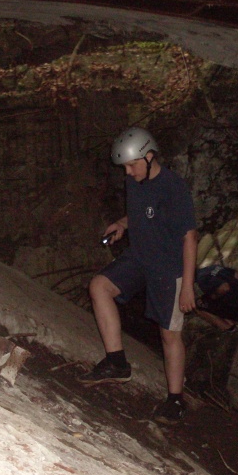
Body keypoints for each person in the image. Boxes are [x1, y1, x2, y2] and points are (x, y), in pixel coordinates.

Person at [79, 126, 198, 425]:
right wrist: (122, 223)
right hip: (139, 257)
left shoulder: (173, 188)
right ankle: (117, 362)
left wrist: (187, 287)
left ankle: (175, 400)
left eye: (132, 165)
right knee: (99, 286)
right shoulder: (136, 181)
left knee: (169, 335)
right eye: (125, 167)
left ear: (149, 156)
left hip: (168, 268)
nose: (128, 173)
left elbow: (189, 238)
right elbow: (141, 213)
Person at [194, 264, 238, 332]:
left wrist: (213, 296)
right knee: (209, 299)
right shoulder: (213, 267)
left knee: (197, 305)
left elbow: (224, 288)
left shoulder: (202, 279)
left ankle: (229, 328)